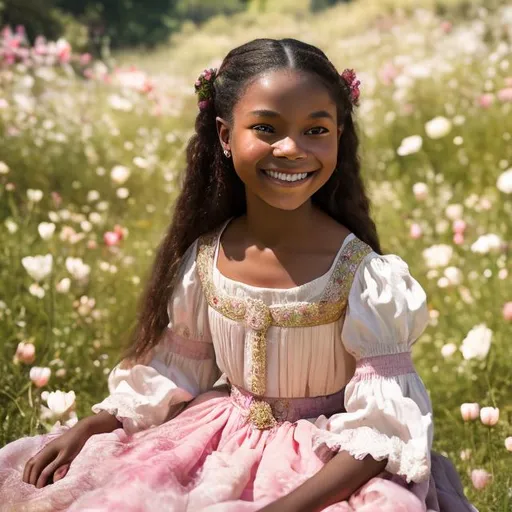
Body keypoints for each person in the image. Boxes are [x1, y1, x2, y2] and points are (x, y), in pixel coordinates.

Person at [0, 38, 477, 512]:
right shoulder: (207, 259)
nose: (291, 149)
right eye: (266, 128)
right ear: (226, 136)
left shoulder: (363, 276)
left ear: (339, 135)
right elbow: (178, 369)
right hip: (218, 442)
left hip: (329, 464)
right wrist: (95, 423)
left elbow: (381, 431)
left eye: (316, 130)